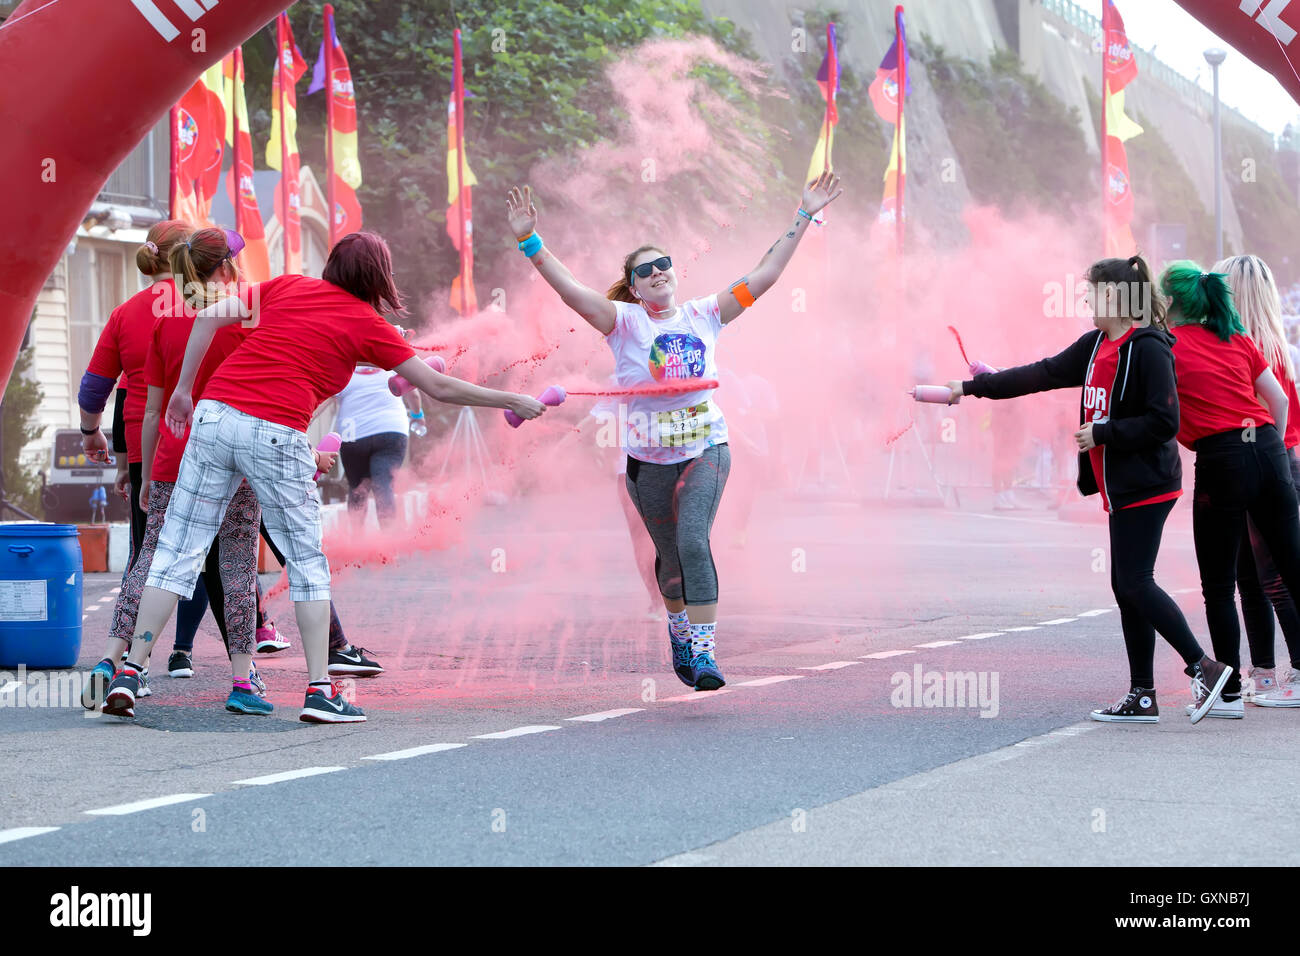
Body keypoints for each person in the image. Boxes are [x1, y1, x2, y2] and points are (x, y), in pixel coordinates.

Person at [103, 231, 544, 724]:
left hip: (213, 414)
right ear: (380, 276)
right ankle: (319, 691)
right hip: (274, 432)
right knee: (307, 562)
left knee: (176, 552)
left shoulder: (290, 286)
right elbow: (437, 386)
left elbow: (208, 314)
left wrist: (183, 391)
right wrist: (510, 400)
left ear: (332, 265)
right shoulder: (370, 324)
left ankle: (129, 672)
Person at [505, 171, 842, 691]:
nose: (658, 271)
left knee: (692, 540)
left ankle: (704, 655)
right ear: (635, 288)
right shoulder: (622, 323)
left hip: (706, 447)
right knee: (667, 558)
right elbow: (573, 294)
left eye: (664, 264)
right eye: (646, 270)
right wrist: (531, 242)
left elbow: (767, 273)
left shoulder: (706, 313)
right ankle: (679, 629)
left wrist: (804, 214)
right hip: (647, 462)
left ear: (674, 273)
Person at [946, 255, 1233, 724]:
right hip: (1120, 487)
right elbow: (1040, 373)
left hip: (1149, 485)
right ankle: (1143, 695)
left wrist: (1103, 434)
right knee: (1126, 586)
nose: (1085, 302)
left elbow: (1165, 422)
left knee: (1135, 581)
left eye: (1092, 294)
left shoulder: (1149, 348)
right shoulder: (1096, 343)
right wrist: (971, 387)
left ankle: (1204, 667)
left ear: (1117, 298)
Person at [85, 228, 277, 715]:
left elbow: (150, 409)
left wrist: (148, 473)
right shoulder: (249, 317)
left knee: (151, 560)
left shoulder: (164, 323)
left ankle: (116, 662)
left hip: (172, 460)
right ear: (227, 269)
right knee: (234, 568)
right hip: (236, 460)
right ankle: (242, 681)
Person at [1162, 260, 1300, 717]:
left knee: (1224, 585)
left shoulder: (1168, 346)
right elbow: (1278, 400)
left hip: (1224, 459)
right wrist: (1271, 451)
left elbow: (1158, 413)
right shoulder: (1237, 337)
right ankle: (1281, 672)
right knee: (1288, 570)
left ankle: (1228, 693)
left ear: (1171, 303)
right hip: (1269, 449)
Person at [77, 221, 203, 705]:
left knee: (145, 551)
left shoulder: (125, 312)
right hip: (203, 435)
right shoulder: (208, 307)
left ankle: (124, 660)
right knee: (210, 556)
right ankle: (205, 660)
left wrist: (94, 437)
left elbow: (95, 388)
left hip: (144, 442)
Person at [1212, 254, 1300, 708]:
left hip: (1268, 462)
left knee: (1273, 576)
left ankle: (1294, 673)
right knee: (1251, 575)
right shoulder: (1275, 346)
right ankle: (1263, 673)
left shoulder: (1250, 348)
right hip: (1273, 460)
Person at [334, 362, 423, 527]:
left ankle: (356, 544)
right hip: (391, 429)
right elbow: (414, 395)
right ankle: (388, 545)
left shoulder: (344, 368)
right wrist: (418, 415)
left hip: (353, 434)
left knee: (357, 488)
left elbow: (324, 399)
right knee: (383, 484)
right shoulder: (391, 363)